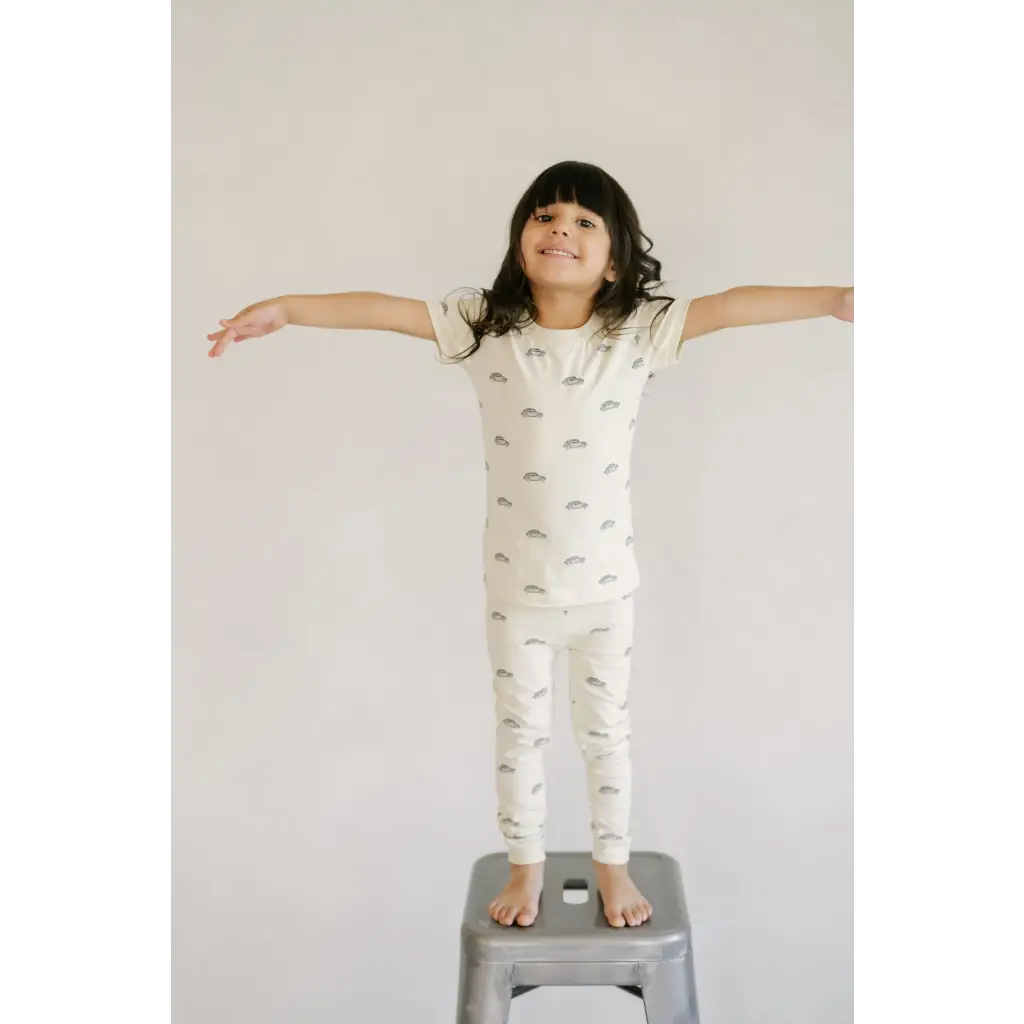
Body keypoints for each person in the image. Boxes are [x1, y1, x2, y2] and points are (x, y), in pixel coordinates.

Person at [207, 160, 855, 930]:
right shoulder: (483, 326)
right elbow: (382, 309)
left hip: (607, 590)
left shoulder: (639, 331)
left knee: (607, 736)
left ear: (614, 259)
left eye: (584, 222)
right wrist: (286, 309)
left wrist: (836, 299)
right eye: (545, 215)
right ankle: (526, 867)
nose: (561, 229)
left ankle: (613, 866)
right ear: (521, 241)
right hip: (518, 591)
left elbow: (733, 304)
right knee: (521, 734)